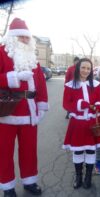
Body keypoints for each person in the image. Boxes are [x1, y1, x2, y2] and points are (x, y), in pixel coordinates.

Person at [0, 18, 49, 197]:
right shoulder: (1, 52)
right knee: (4, 152)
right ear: (12, 38)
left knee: (29, 150)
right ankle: (8, 187)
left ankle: (29, 181)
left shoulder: (33, 58)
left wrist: (42, 106)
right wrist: (14, 77)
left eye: (26, 37)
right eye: (21, 37)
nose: (24, 40)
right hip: (6, 111)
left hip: (30, 113)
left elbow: (41, 84)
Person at [62, 58, 100, 190]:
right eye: (83, 67)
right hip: (77, 123)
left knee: (90, 150)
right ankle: (78, 176)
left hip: (92, 122)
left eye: (88, 68)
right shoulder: (70, 85)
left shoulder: (96, 85)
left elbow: (98, 99)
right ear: (78, 68)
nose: (86, 70)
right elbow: (66, 104)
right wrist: (80, 105)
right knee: (78, 150)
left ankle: (88, 177)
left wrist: (99, 105)